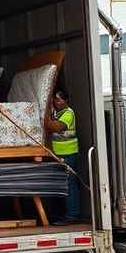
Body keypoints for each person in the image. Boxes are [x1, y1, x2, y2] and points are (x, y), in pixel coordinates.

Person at [45, 89, 80, 225]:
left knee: (69, 186)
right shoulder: (56, 113)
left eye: (59, 99)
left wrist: (45, 118)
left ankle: (72, 215)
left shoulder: (68, 113)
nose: (56, 102)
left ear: (66, 101)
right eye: (55, 100)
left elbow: (56, 127)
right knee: (60, 185)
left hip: (68, 154)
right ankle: (62, 214)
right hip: (58, 154)